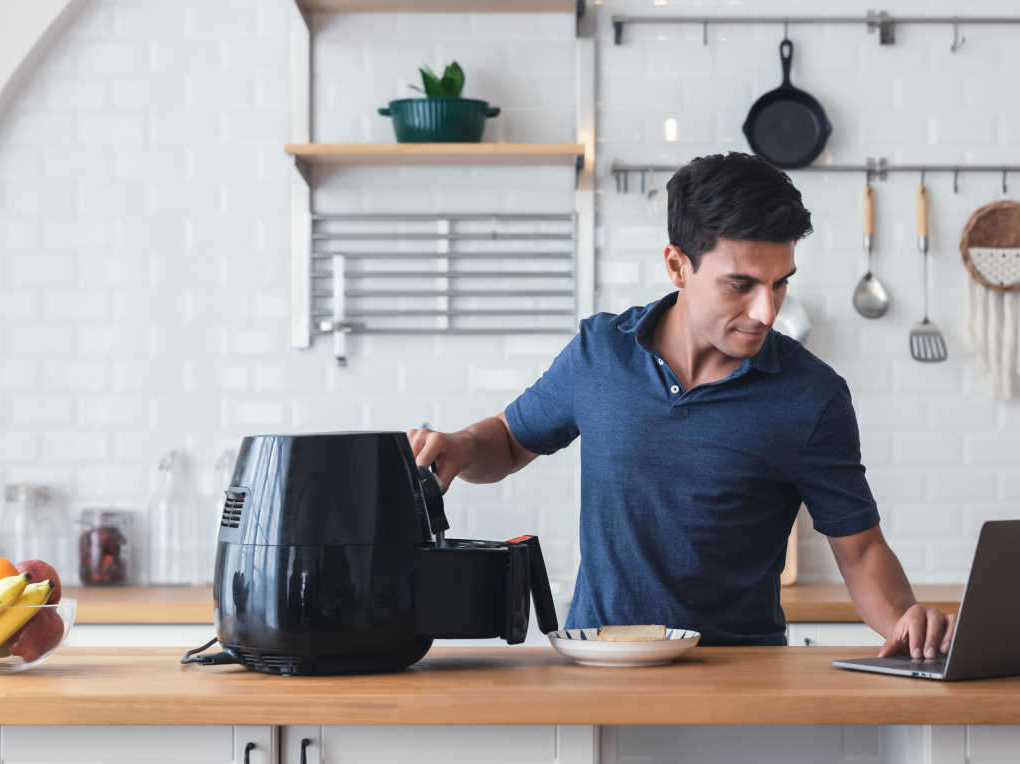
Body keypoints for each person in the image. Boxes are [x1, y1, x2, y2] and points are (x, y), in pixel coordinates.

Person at [408, 151, 954, 658]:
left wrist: (905, 618)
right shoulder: (600, 353)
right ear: (677, 266)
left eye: (780, 284)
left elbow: (859, 551)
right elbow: (507, 440)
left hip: (742, 678)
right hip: (598, 665)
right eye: (740, 285)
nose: (766, 310)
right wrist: (457, 446)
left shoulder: (811, 396)